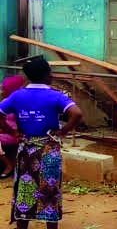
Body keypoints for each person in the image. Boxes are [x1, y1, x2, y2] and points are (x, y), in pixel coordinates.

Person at [0, 56, 83, 229]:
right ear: (47, 74)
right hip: (49, 149)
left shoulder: (17, 96)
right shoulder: (55, 95)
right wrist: (63, 132)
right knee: (50, 190)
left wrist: (12, 131)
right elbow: (77, 113)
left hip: (26, 150)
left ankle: (22, 224)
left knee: (25, 187)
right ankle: (50, 226)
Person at [0, 75, 26, 178]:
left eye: (3, 89)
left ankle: (9, 165)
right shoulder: (5, 102)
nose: (1, 92)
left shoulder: (19, 103)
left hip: (14, 134)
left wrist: (8, 129)